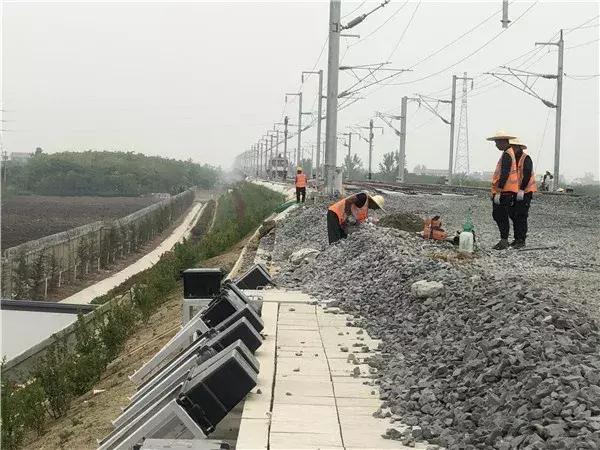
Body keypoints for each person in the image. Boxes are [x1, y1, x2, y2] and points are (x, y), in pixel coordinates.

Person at [487, 131, 537, 250]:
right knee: (513, 215)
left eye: (514, 147)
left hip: (524, 191)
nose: (513, 148)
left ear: (518, 147)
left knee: (521, 215)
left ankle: (521, 240)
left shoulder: (525, 158)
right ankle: (516, 239)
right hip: (514, 191)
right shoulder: (512, 156)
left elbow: (526, 174)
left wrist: (521, 190)